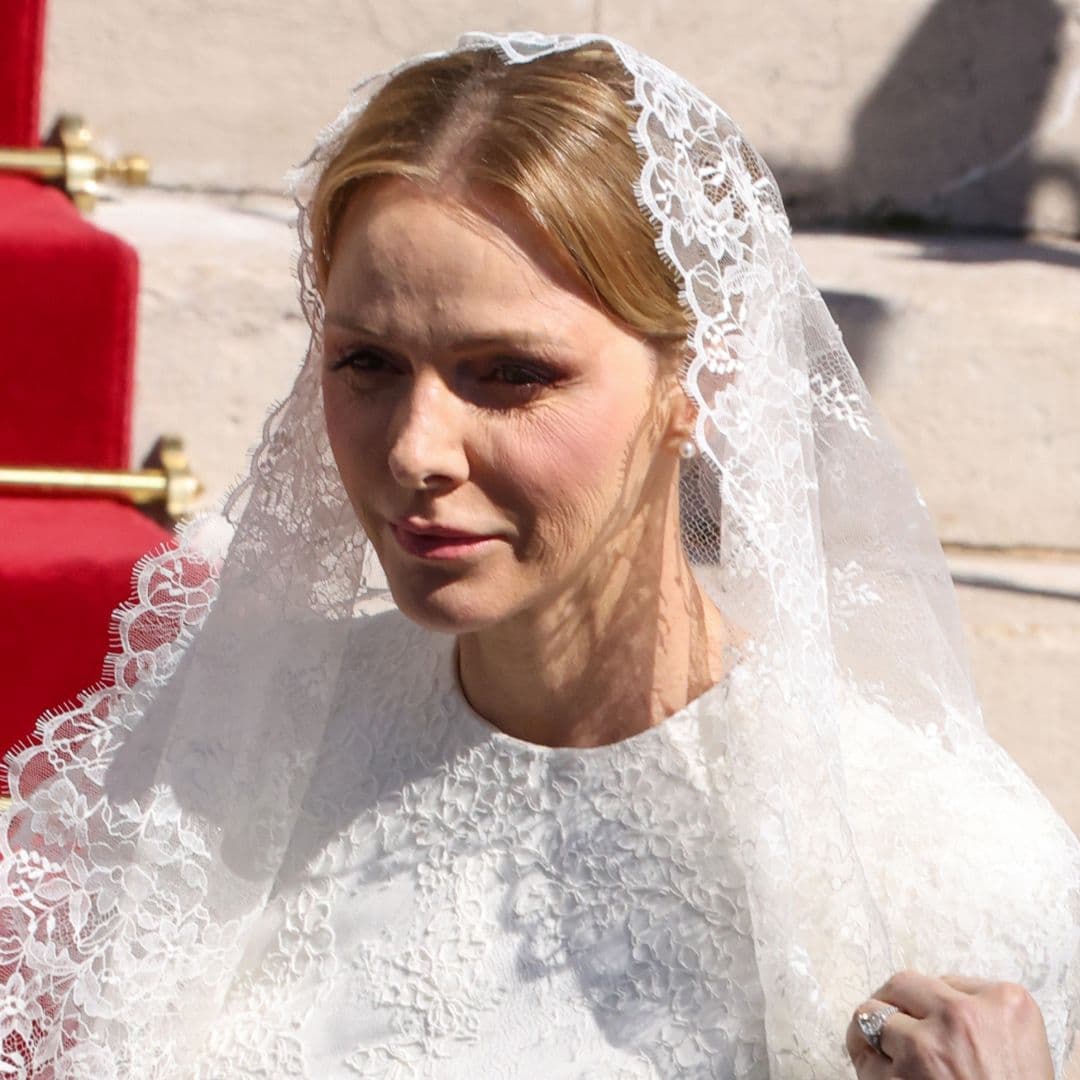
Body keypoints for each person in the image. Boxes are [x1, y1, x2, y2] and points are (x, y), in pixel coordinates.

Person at [1, 30, 1077, 1080]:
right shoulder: (225, 761)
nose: (416, 451)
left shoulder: (940, 870)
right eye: (366, 360)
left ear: (703, 382)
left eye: (510, 374)